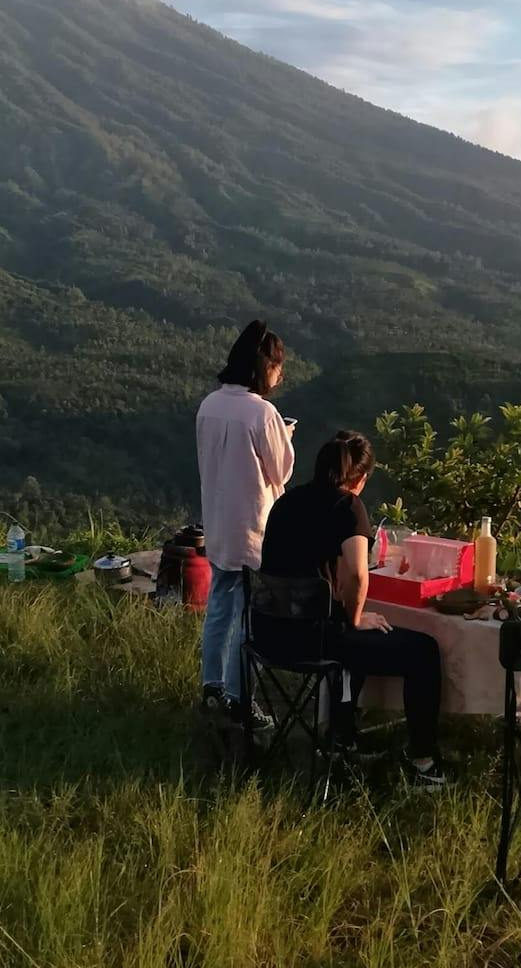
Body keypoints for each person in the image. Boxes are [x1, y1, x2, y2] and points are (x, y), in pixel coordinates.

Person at [252, 431, 453, 788]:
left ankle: (342, 738)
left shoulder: (287, 501)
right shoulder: (347, 506)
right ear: (359, 479)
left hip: (267, 634)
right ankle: (423, 762)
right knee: (423, 651)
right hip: (314, 640)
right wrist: (355, 619)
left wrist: (348, 618)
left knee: (351, 636)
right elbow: (359, 575)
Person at [192, 322, 294, 724]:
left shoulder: (209, 405)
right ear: (262, 366)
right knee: (250, 617)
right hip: (253, 531)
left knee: (219, 606)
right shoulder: (261, 412)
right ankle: (240, 696)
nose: (278, 375)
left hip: (218, 524)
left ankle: (212, 686)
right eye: (277, 366)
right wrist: (285, 436)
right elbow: (281, 470)